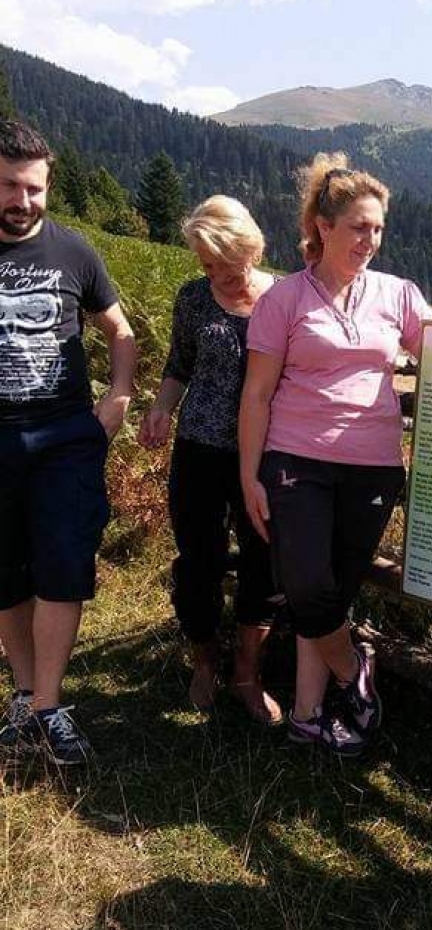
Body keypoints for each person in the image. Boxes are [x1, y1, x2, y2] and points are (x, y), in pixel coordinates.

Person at [239, 152, 432, 755]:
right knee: (305, 585)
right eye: (358, 227)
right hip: (295, 459)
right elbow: (257, 394)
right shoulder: (284, 299)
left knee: (332, 593)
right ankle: (355, 672)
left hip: (373, 466)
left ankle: (307, 714)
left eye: (377, 229)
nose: (369, 241)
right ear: (323, 227)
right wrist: (249, 475)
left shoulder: (397, 293)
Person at [0, 119, 136, 765]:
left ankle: (49, 708)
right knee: (6, 575)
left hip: (64, 439)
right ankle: (25, 697)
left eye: (33, 188)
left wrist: (120, 398)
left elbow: (119, 330)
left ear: (48, 185)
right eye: (9, 186)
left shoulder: (74, 252)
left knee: (63, 568)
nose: (21, 200)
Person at [138, 196, 282, 723]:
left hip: (265, 452)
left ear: (250, 249)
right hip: (199, 448)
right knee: (199, 559)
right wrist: (161, 409)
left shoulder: (283, 298)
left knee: (264, 561)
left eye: (227, 263)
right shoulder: (193, 298)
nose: (217, 275)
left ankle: (248, 671)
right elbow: (179, 364)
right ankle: (204, 658)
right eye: (207, 265)